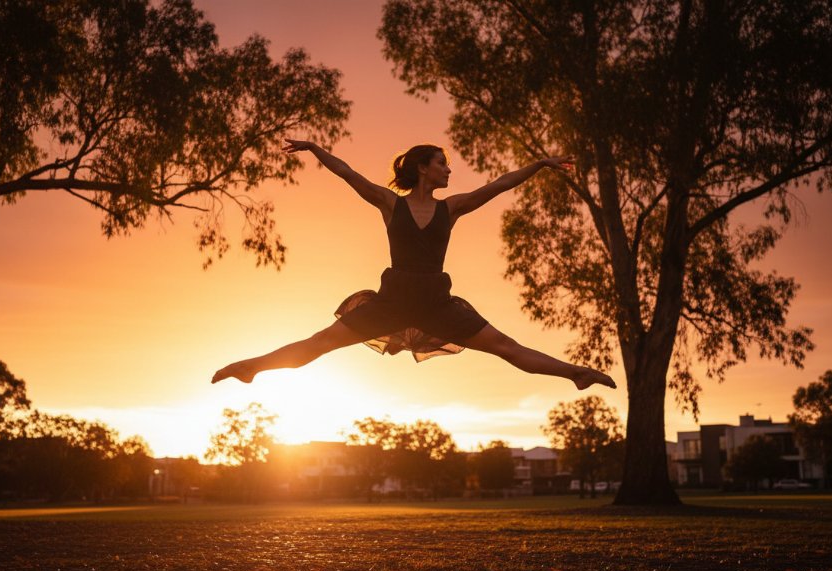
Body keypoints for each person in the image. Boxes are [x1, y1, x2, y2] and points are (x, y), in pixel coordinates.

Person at [211, 140, 616, 391]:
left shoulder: (452, 207)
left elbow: (499, 184)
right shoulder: (392, 204)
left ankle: (576, 373)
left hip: (437, 304)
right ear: (423, 167)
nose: (449, 170)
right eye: (442, 163)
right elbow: (350, 175)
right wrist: (317, 150)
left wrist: (540, 164)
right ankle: (251, 367)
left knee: (506, 348)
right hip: (393, 301)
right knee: (320, 343)